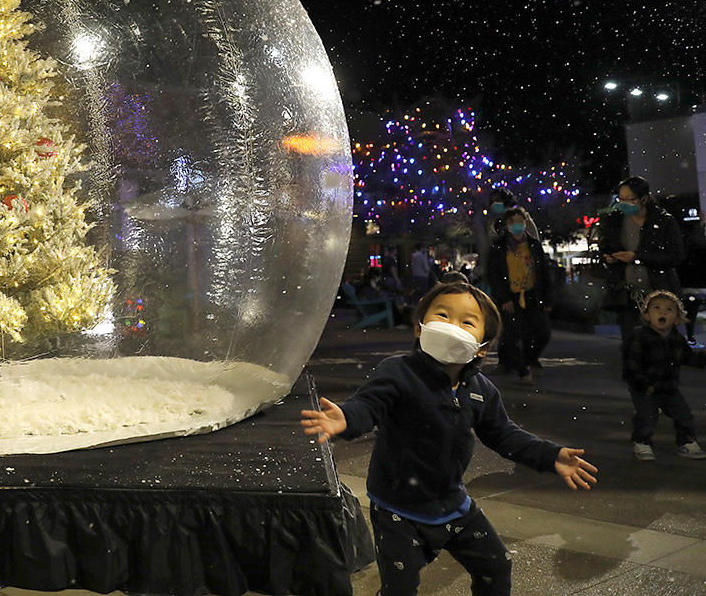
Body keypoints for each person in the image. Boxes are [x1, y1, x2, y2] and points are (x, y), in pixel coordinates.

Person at [300, 279, 597, 596]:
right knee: (399, 588)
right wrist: (346, 418)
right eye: (441, 314)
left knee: (496, 565)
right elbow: (369, 405)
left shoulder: (481, 390)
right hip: (398, 510)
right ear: (420, 327)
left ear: (482, 346)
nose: (451, 326)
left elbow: (505, 435)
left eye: (467, 321)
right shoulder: (398, 372)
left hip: (454, 506)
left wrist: (549, 456)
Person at [598, 175, 686, 346]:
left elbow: (676, 255)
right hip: (628, 293)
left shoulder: (663, 220)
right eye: (620, 199)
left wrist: (638, 256)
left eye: (629, 199)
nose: (623, 203)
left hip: (658, 292)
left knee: (661, 344)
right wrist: (609, 258)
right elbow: (606, 246)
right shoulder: (615, 220)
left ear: (643, 199)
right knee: (632, 344)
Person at [623, 290, 706, 461]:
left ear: (677, 318)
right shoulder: (640, 337)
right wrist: (641, 383)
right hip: (645, 386)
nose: (662, 312)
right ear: (647, 315)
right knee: (647, 415)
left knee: (683, 414)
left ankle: (687, 442)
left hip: (669, 386)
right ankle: (642, 442)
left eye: (669, 310)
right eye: (656, 308)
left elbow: (687, 357)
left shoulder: (676, 339)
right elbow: (632, 364)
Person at [485, 206, 551, 382]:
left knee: (542, 333)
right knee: (512, 336)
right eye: (513, 222)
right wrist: (504, 298)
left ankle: (528, 360)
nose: (517, 226)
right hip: (510, 298)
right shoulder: (499, 247)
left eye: (520, 222)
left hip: (531, 295)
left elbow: (543, 272)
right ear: (507, 225)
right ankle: (522, 370)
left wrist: (547, 298)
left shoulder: (534, 245)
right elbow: (494, 274)